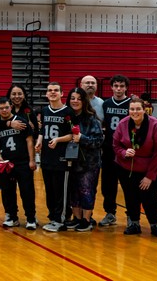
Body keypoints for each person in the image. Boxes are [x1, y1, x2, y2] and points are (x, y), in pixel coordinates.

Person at [113, 99, 157, 237]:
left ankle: (154, 224)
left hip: (151, 167)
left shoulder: (155, 124)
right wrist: (124, 153)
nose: (135, 112)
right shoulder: (123, 123)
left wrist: (150, 176)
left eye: (138, 109)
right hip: (126, 168)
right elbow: (116, 145)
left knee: (150, 197)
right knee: (130, 196)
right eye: (132, 109)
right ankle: (134, 224)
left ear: (144, 110)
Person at [0, 97, 37, 229]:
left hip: (23, 162)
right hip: (6, 164)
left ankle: (31, 218)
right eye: (1, 108)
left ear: (11, 107)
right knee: (7, 191)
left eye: (6, 107)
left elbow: (29, 141)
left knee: (27, 191)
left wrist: (32, 160)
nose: (4, 110)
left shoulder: (21, 121)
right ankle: (12, 217)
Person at [67, 88, 103, 232]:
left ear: (84, 101)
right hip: (71, 161)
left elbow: (99, 141)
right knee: (73, 191)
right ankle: (76, 218)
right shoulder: (67, 117)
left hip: (89, 163)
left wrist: (83, 138)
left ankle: (87, 220)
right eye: (72, 98)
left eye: (78, 98)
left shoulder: (91, 119)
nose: (75, 101)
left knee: (86, 190)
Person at [39, 82, 73, 232]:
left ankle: (62, 219)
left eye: (56, 90)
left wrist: (58, 140)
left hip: (62, 157)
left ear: (62, 93)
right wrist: (39, 141)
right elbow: (42, 130)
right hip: (46, 156)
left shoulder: (68, 112)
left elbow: (74, 134)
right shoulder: (45, 110)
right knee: (50, 189)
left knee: (61, 190)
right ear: (46, 94)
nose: (53, 93)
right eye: (50, 90)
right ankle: (53, 216)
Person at [98, 75, 130, 227]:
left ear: (126, 87)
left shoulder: (131, 103)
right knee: (108, 183)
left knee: (128, 184)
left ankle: (132, 214)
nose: (118, 89)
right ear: (111, 87)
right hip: (109, 149)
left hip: (126, 150)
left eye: (121, 86)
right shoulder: (106, 103)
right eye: (116, 86)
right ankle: (110, 213)